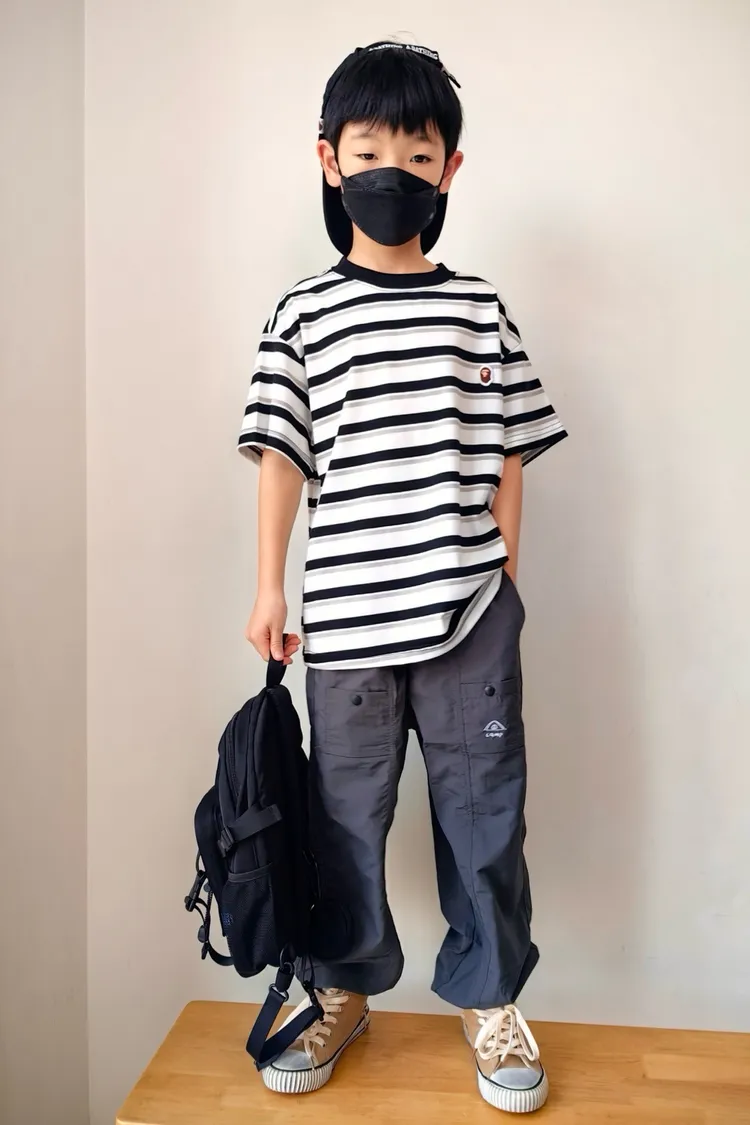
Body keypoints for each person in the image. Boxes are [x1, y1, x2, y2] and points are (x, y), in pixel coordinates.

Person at [239, 40, 567, 1114]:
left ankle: (491, 999)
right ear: (330, 160)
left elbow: (511, 446)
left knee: (484, 815)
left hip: (470, 614)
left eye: (418, 154)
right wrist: (269, 588)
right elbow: (281, 453)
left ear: (449, 170)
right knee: (343, 817)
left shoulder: (478, 307)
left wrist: (506, 569)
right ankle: (340, 989)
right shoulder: (302, 312)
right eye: (370, 148)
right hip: (345, 619)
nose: (394, 169)